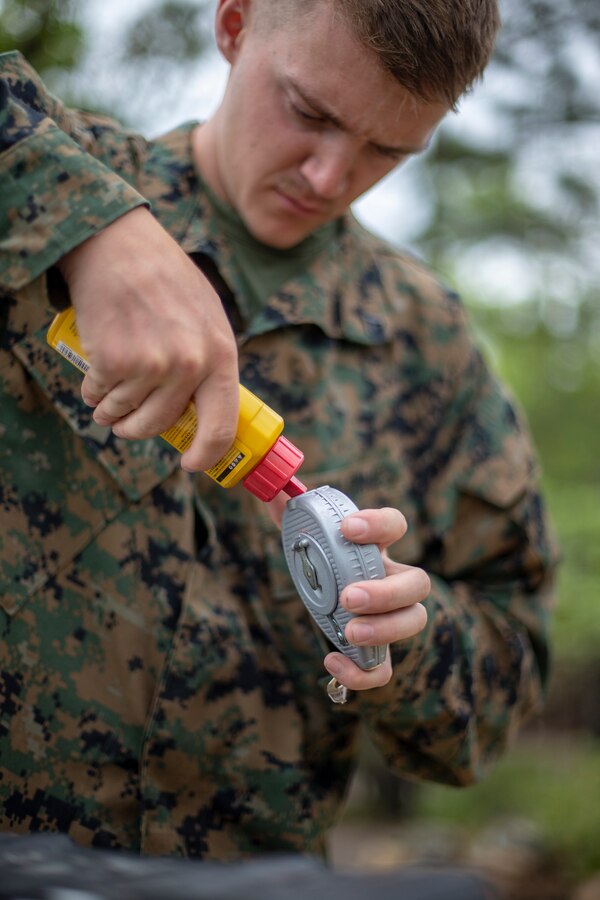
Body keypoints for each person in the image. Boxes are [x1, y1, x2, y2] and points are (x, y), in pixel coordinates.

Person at [0, 0, 557, 861]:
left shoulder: (430, 346)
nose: (331, 177)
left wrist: (409, 635)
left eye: (387, 151)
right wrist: (86, 225)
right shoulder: (63, 168)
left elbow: (508, 672)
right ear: (233, 26)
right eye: (311, 113)